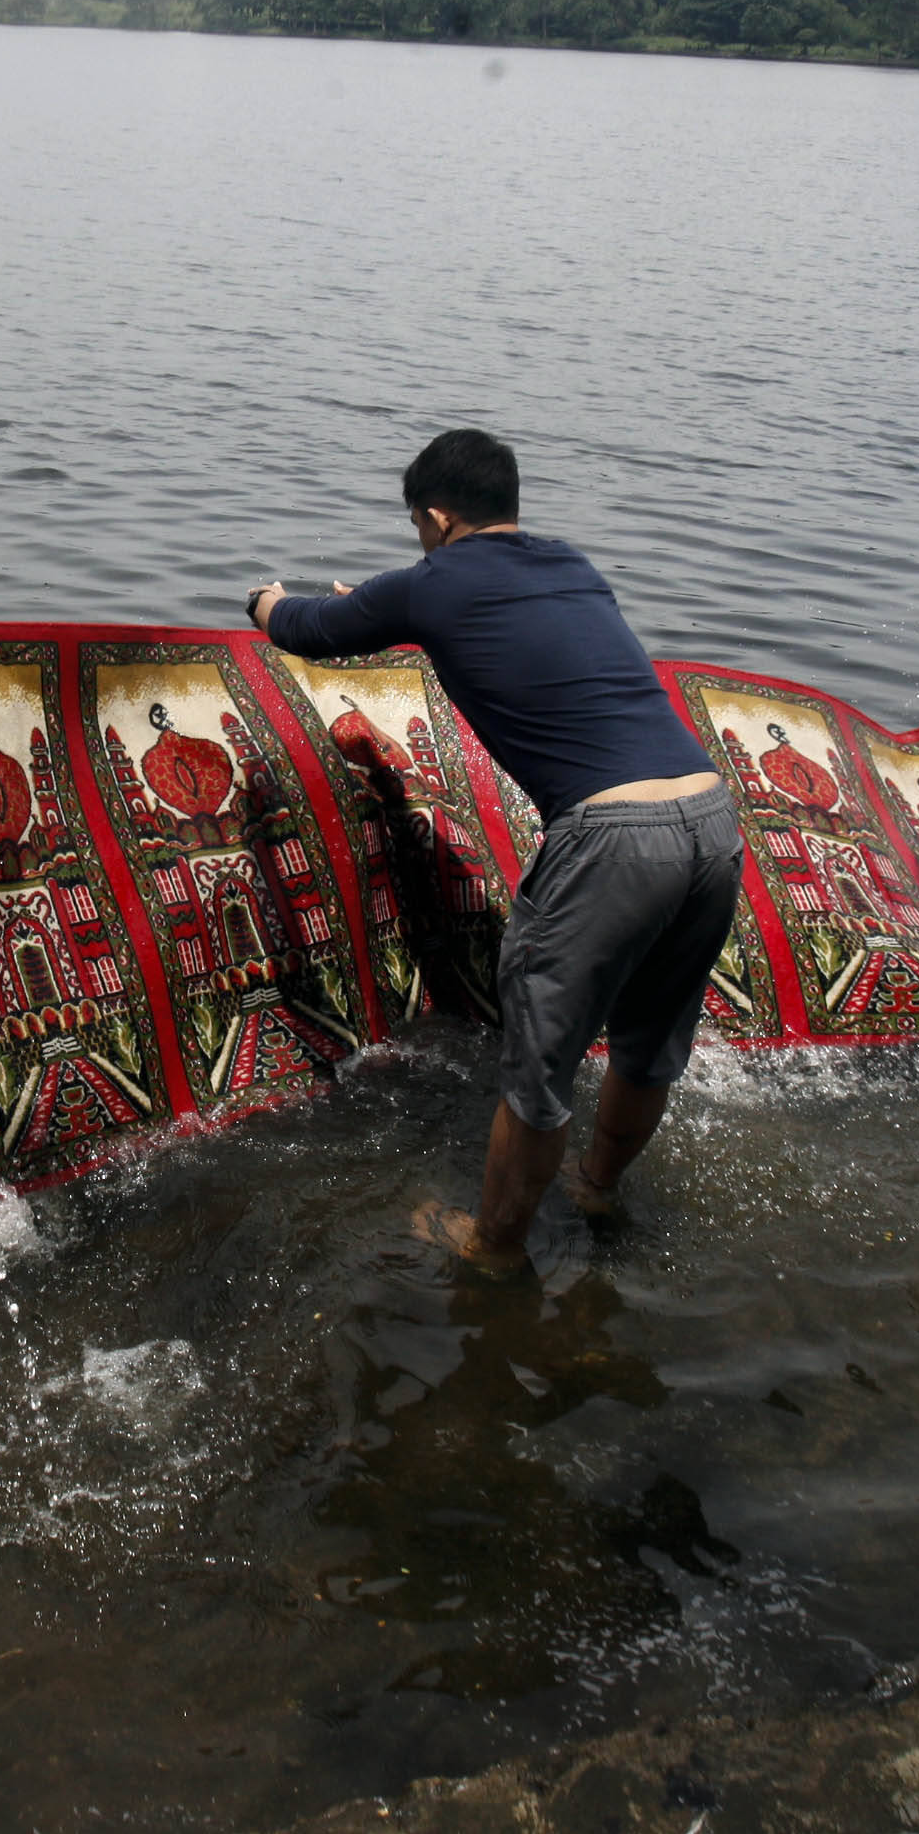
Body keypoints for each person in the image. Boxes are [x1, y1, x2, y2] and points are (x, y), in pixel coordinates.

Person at [251, 428, 742, 1275]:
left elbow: (306, 629)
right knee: (647, 1043)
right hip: (709, 814)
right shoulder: (573, 566)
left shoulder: (433, 582)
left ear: (438, 517)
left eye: (417, 527)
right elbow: (500, 628)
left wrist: (262, 598)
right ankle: (596, 1189)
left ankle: (494, 1250)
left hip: (615, 837)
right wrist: (397, 599)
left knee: (539, 1068)